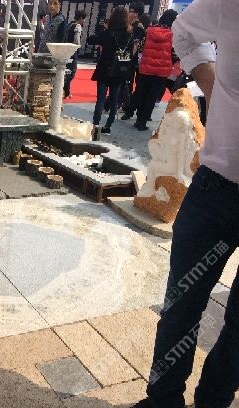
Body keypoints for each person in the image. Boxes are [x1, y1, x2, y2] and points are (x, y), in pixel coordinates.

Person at [133, 0, 237, 406]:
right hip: (216, 188)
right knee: (182, 305)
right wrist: (211, 85)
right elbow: (185, 31)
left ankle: (214, 399)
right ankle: (163, 400)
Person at [121, 9, 178, 131]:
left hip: (146, 68)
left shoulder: (149, 31)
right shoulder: (173, 35)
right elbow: (174, 54)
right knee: (151, 97)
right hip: (161, 71)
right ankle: (142, 122)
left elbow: (141, 47)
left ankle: (130, 112)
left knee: (140, 92)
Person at [87, 6, 134, 135]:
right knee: (114, 100)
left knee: (101, 100)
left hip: (105, 69)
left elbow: (91, 40)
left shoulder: (108, 33)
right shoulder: (129, 34)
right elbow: (131, 52)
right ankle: (108, 126)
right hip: (120, 70)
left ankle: (95, 126)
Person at [63, 9, 86, 99]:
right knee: (71, 72)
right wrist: (77, 46)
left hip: (65, 51)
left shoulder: (69, 25)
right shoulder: (78, 26)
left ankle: (66, 91)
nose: (84, 21)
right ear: (81, 18)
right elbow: (77, 41)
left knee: (66, 72)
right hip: (72, 52)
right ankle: (66, 92)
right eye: (84, 19)